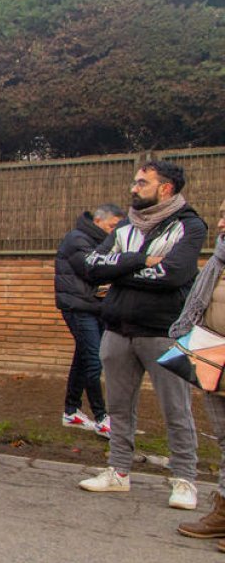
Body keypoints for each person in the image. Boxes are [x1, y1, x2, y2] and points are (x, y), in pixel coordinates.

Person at [78, 161, 206, 510]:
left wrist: (118, 272)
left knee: (175, 408)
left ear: (165, 188)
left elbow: (174, 275)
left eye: (141, 182)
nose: (133, 188)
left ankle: (184, 479)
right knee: (118, 407)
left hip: (164, 333)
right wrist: (142, 260)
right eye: (135, 181)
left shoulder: (189, 226)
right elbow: (90, 267)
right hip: (117, 330)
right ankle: (118, 471)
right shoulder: (124, 228)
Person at [170, 198, 225, 549]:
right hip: (214, 356)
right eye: (222, 214)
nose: (221, 223)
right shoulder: (219, 259)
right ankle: (223, 510)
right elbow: (200, 304)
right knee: (224, 438)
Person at [53, 204, 126, 437]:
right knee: (94, 360)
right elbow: (92, 270)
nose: (114, 232)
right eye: (112, 226)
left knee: (84, 358)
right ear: (98, 221)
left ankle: (72, 411)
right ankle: (102, 418)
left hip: (95, 307)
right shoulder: (77, 239)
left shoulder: (98, 242)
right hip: (78, 307)